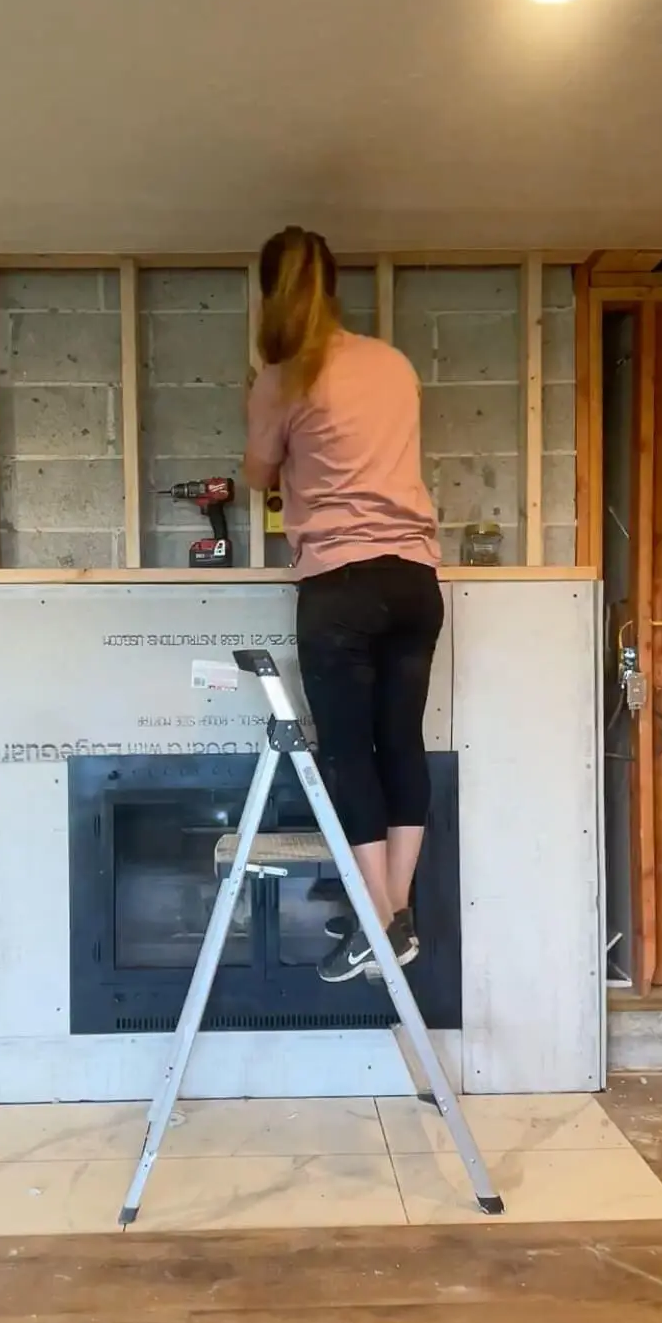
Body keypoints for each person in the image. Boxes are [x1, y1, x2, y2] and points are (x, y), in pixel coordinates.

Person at [244, 225, 443, 983]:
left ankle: (382, 921)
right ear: (333, 286)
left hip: (341, 584)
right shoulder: (392, 364)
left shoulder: (283, 378)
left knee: (347, 752)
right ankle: (392, 918)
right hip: (415, 581)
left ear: (270, 292)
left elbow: (258, 474)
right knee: (401, 744)